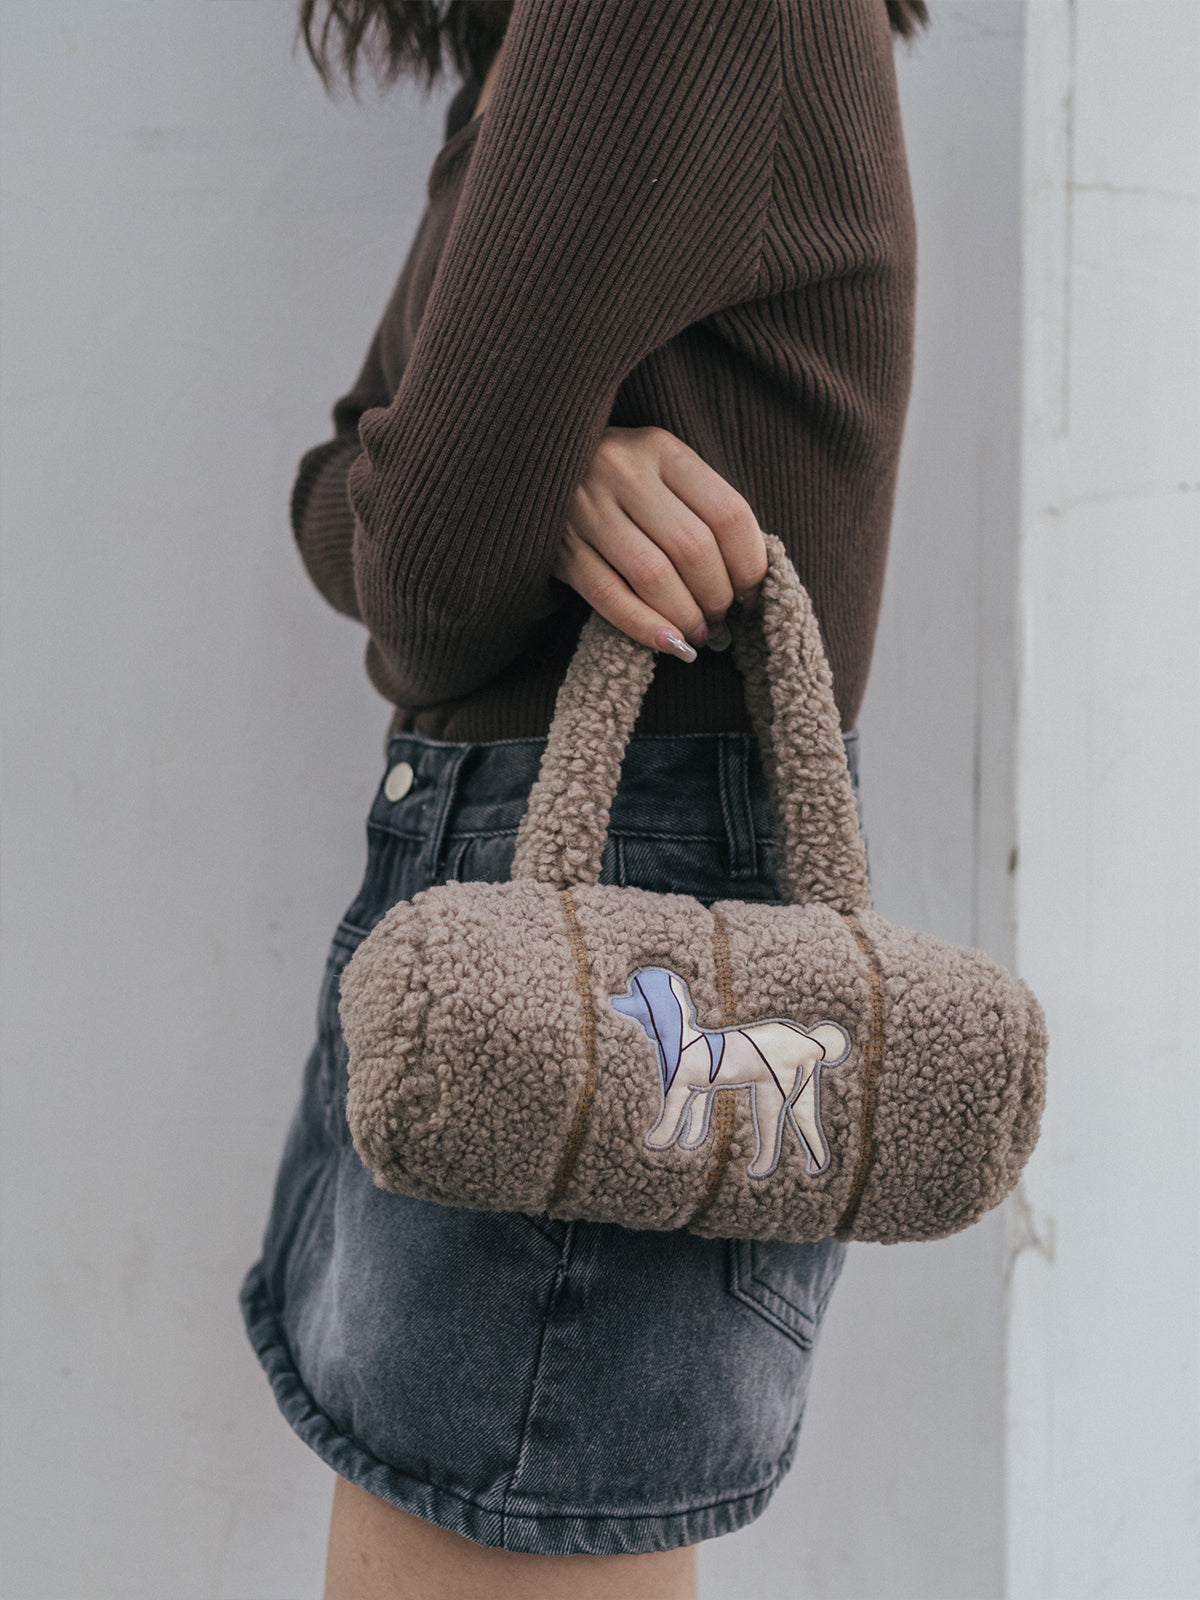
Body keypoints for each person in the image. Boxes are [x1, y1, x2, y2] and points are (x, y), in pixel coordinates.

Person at [239, 2, 926, 1594]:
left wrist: (477, 488)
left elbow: (414, 561)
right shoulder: (540, 42)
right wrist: (511, 480)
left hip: (605, 919)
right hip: (555, 902)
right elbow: (343, 483)